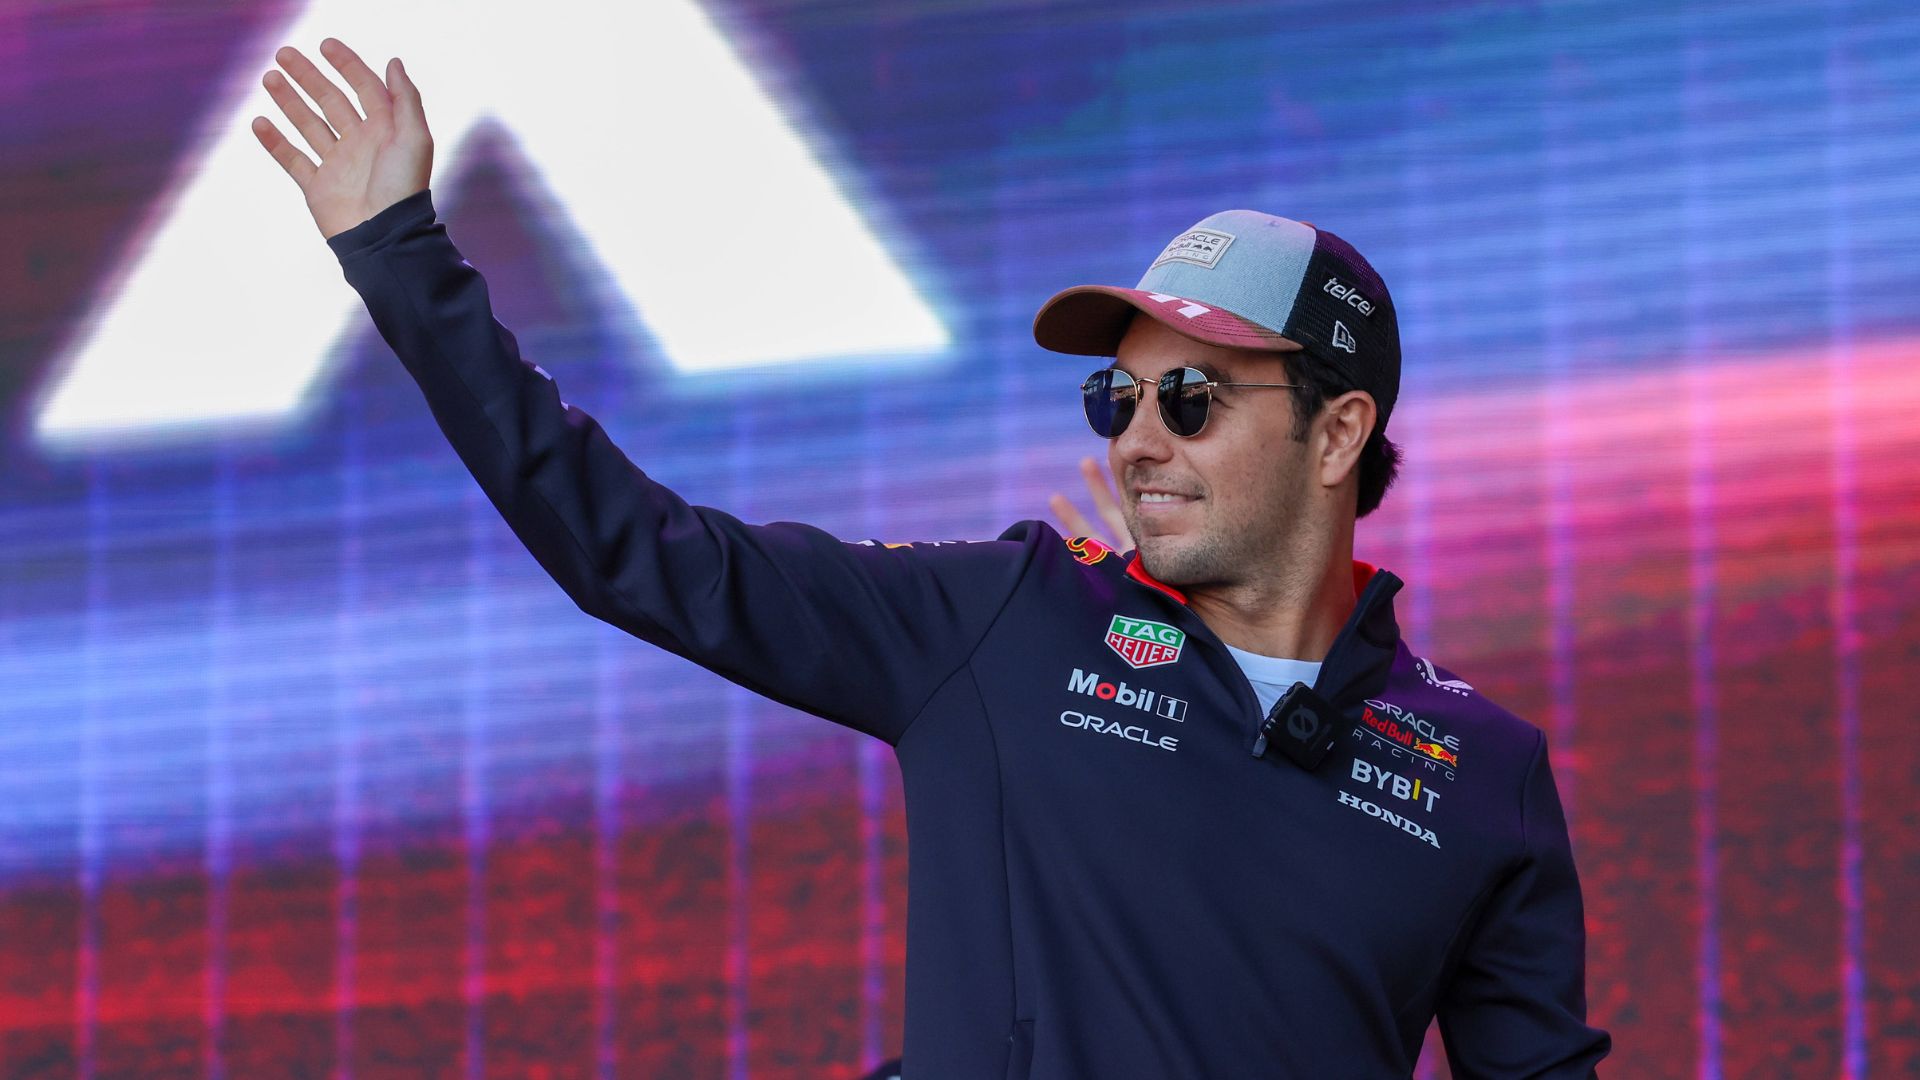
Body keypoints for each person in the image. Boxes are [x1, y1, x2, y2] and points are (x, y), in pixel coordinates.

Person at [254, 38, 1611, 1079]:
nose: (1140, 436)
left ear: (1339, 434)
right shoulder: (1012, 617)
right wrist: (399, 254)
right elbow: (636, 553)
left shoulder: (1482, 773)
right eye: (1116, 400)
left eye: (1190, 399)